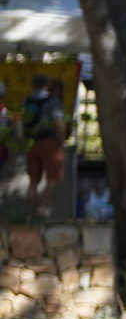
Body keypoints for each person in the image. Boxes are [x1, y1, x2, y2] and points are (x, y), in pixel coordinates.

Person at [23, 74, 66, 216]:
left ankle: (29, 211)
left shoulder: (27, 100)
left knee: (33, 180)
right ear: (47, 85)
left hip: (31, 142)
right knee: (52, 177)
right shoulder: (52, 101)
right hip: (49, 141)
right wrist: (60, 142)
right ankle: (43, 207)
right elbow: (58, 123)